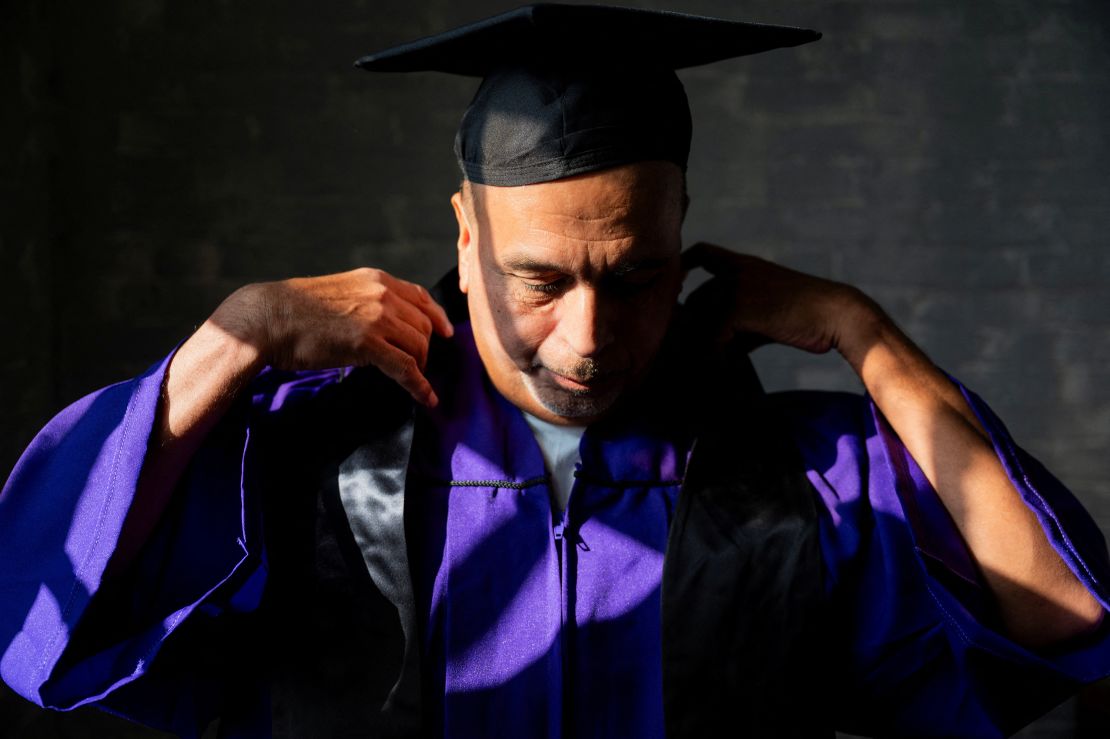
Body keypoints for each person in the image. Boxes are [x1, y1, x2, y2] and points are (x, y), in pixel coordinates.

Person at [2, 4, 1109, 738]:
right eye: (542, 280)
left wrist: (864, 329)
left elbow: (1059, 609)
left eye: (636, 277)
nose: (587, 337)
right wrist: (229, 340)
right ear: (465, 235)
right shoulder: (312, 452)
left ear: (683, 235)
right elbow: (44, 612)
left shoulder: (802, 467)